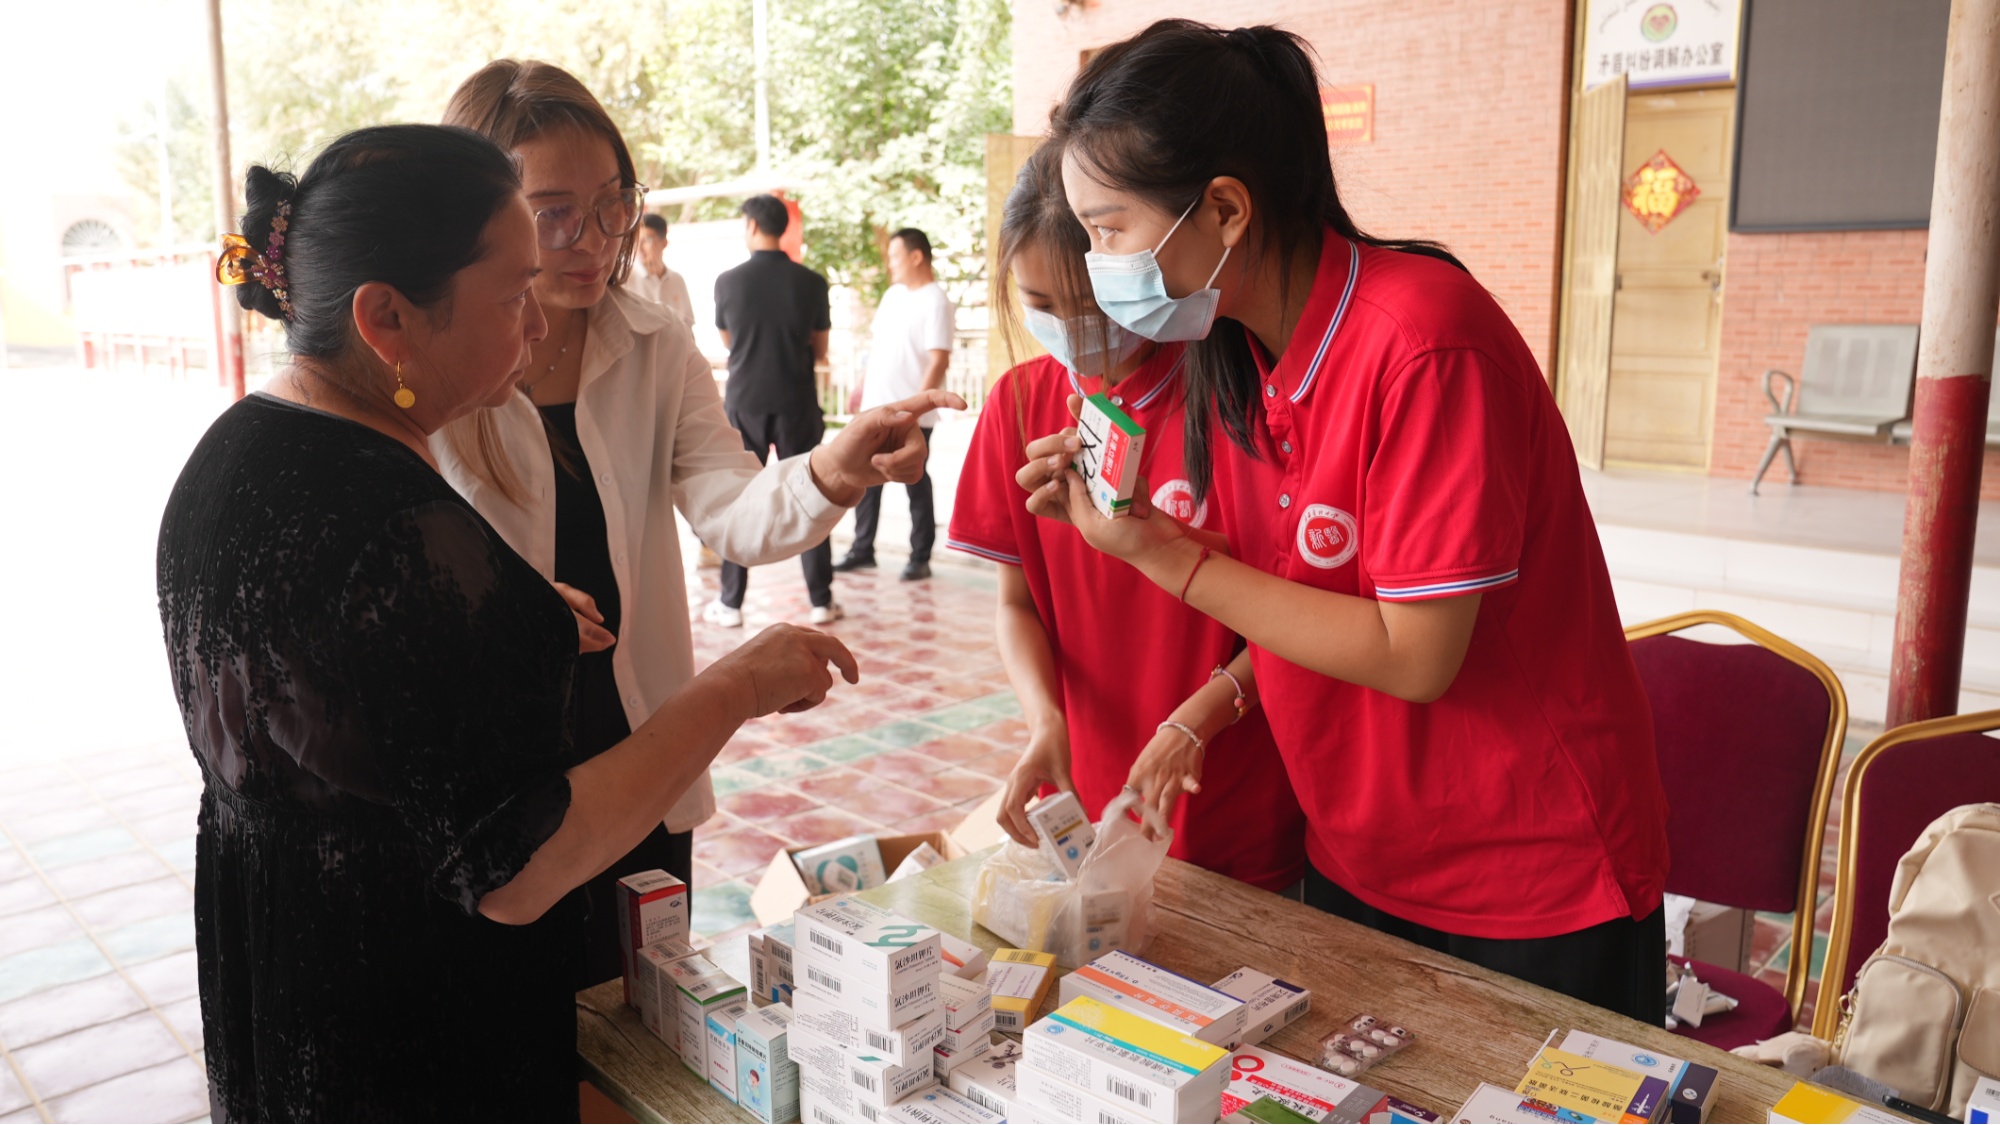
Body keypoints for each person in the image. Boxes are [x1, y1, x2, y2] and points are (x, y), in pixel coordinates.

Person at [160, 123, 864, 1120]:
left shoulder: (236, 454)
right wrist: (736, 687)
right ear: (387, 320)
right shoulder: (397, 528)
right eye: (509, 296)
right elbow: (518, 870)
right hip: (410, 1026)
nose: (536, 325)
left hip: (282, 965)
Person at [1017, 21, 1671, 1022]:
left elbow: (1414, 654)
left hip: (1528, 873)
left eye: (1106, 230)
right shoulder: (1238, 358)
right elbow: (1293, 598)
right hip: (1356, 850)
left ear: (1224, 209)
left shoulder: (1422, 346)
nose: (1095, 263)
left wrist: (1164, 558)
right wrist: (1145, 532)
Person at [437, 60, 959, 988]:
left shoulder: (651, 341)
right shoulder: (439, 372)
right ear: (478, 214)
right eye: (552, 213)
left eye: (612, 205)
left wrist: (836, 467)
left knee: (638, 1014)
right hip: (503, 769)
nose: (592, 239)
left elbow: (731, 508)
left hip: (642, 738)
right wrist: (507, 617)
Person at [953, 145, 1306, 891]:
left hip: (1225, 792)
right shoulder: (1019, 404)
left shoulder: (1243, 396)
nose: (1073, 332)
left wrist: (1197, 722)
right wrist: (1047, 724)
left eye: (1089, 306)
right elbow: (1016, 604)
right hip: (1089, 791)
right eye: (1041, 306)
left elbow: (1303, 619)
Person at [710, 194, 843, 624]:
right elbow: (820, 350)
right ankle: (821, 600)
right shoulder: (811, 282)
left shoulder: (727, 282)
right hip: (796, 402)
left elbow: (728, 342)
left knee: (740, 499)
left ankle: (730, 603)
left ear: (751, 226)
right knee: (811, 493)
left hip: (746, 401)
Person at [834, 227, 954, 582]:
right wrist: (861, 387)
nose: (891, 265)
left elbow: (938, 361)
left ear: (917, 257)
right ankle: (862, 549)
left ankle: (920, 556)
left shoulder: (936, 300)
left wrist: (914, 410)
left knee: (914, 480)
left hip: (911, 416)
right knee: (867, 479)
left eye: (896, 257)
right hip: (875, 407)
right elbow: (877, 349)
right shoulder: (892, 296)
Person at [631, 212, 696, 327]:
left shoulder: (676, 280)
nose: (639, 247)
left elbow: (688, 326)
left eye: (646, 240)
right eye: (636, 240)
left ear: (664, 243)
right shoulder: (626, 280)